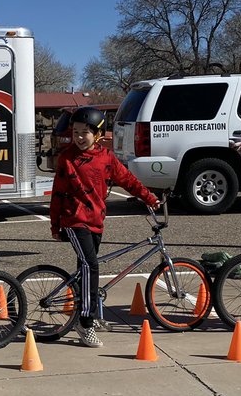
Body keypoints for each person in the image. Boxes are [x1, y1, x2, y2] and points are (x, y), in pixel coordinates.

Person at [49, 106, 159, 348]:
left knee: (85, 268)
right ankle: (85, 323)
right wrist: (54, 224)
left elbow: (127, 180)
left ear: (98, 134)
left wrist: (149, 198)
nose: (78, 137)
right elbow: (57, 193)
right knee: (91, 265)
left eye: (84, 133)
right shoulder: (67, 159)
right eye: (75, 132)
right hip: (73, 220)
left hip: (96, 221)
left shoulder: (106, 158)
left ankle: (82, 310)